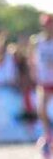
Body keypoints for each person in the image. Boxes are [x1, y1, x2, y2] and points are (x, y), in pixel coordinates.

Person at [34, 13, 53, 149]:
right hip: (44, 80)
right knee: (41, 109)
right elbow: (34, 60)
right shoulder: (38, 41)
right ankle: (48, 135)